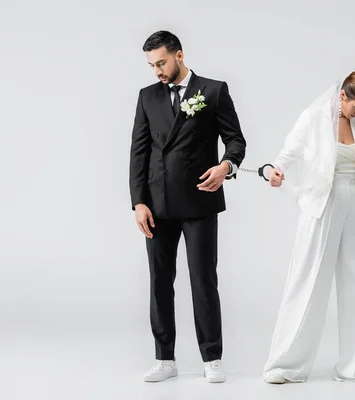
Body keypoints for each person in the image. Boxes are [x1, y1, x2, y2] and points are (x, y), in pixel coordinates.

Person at [128, 30, 246, 383]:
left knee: (203, 280)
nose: (157, 72)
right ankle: (165, 359)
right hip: (157, 205)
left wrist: (226, 167)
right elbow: (139, 151)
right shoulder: (147, 96)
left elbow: (236, 140)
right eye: (151, 65)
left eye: (161, 63)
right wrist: (138, 202)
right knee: (159, 282)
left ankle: (212, 358)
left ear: (179, 55)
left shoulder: (213, 90)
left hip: (199, 200)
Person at [262, 70, 355, 384]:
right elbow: (288, 152)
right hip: (322, 205)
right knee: (307, 281)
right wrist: (276, 170)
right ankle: (285, 364)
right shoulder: (313, 118)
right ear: (343, 95)